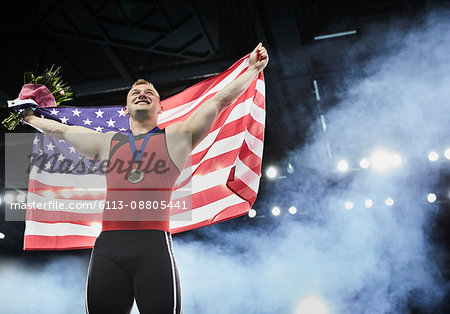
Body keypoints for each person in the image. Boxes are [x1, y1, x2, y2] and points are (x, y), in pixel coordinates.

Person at [23, 43, 268, 314]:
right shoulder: (107, 143)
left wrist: (252, 70)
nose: (142, 94)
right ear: (125, 109)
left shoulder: (176, 139)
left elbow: (218, 101)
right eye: (135, 92)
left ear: (161, 106)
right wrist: (29, 116)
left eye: (149, 92)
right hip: (108, 250)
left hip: (153, 249)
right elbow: (61, 131)